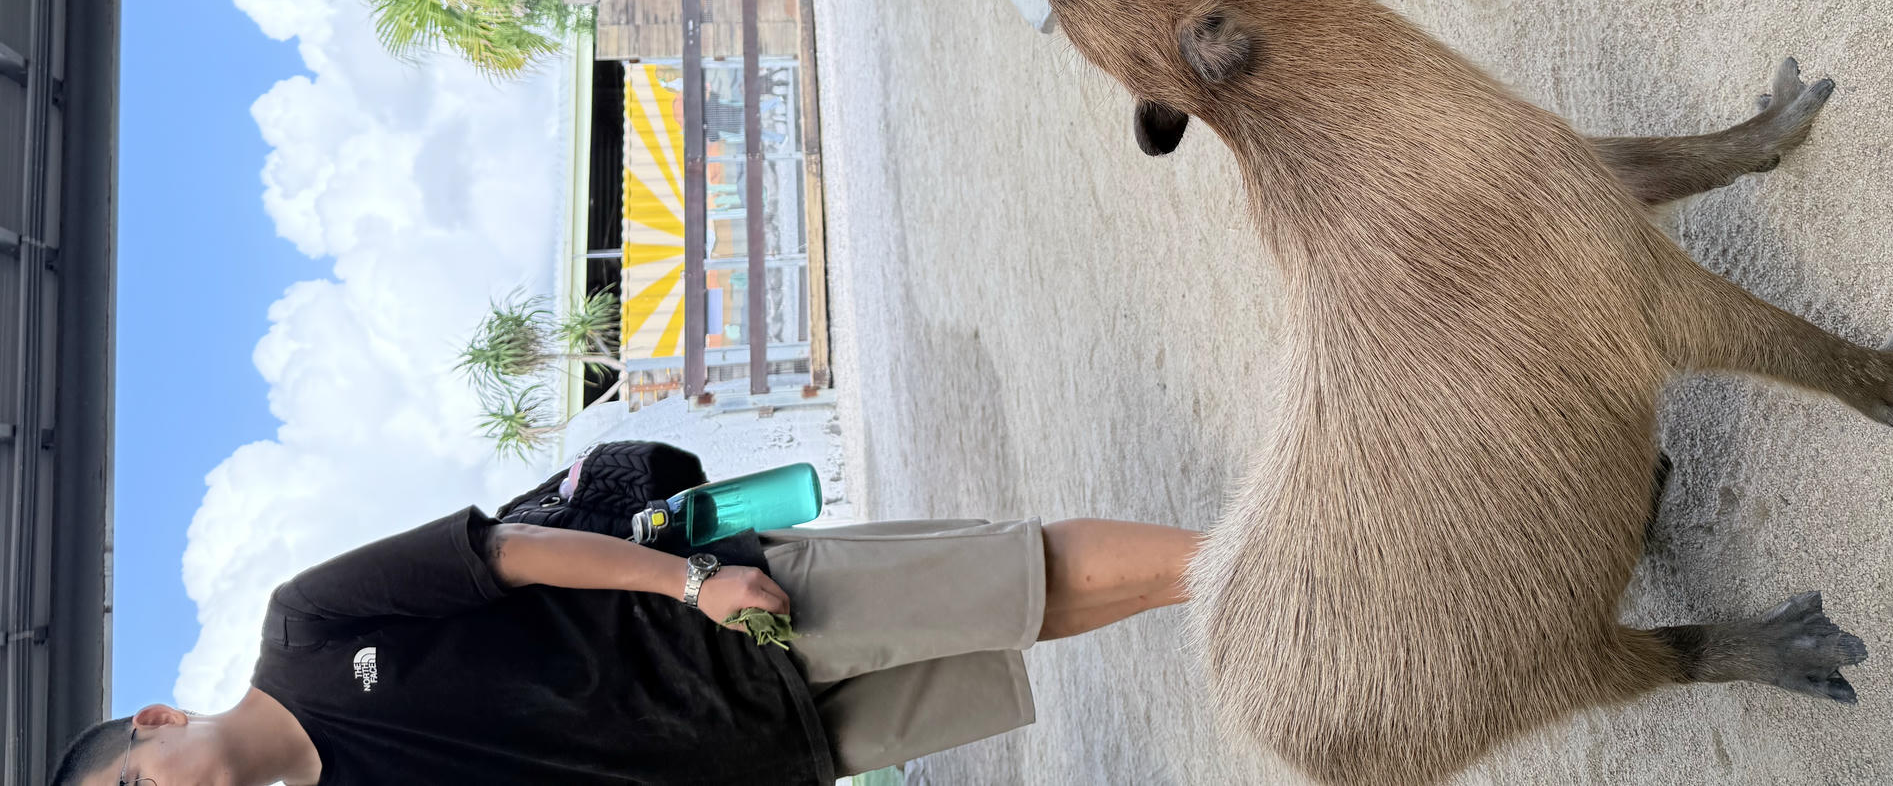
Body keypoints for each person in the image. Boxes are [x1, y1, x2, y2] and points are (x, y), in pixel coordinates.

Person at [49, 507, 1200, 785]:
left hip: (729, 629)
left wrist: (693, 581)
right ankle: (1239, 586)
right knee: (1023, 626)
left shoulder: (305, 626)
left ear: (156, 722)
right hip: (760, 754)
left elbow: (505, 551)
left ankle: (1260, 557)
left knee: (1012, 572)